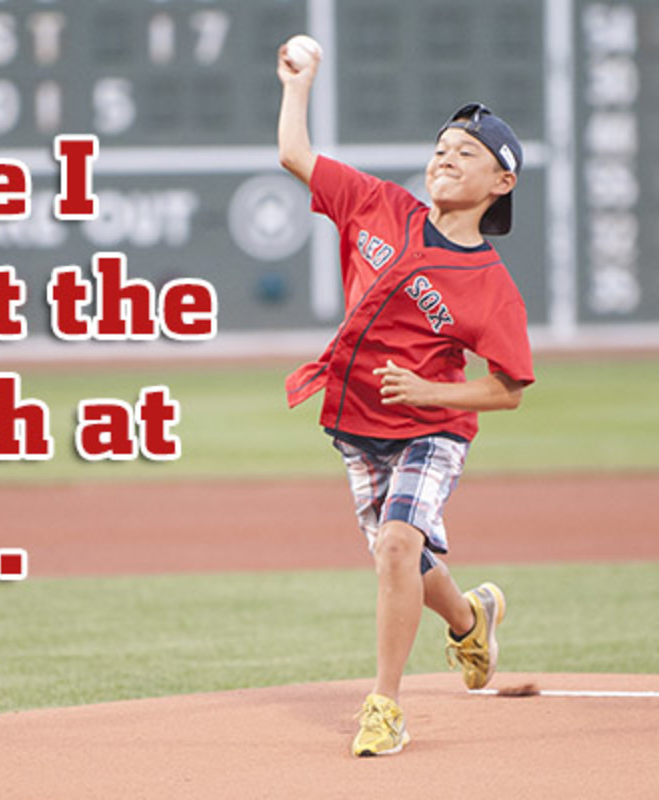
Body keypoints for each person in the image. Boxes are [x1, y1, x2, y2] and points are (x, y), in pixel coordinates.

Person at [275, 39, 535, 756]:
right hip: (357, 423)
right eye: (443, 147)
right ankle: (470, 618)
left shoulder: (491, 285)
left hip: (433, 429)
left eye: (468, 152)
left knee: (396, 543)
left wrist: (430, 391)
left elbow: (509, 389)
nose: (447, 157)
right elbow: (296, 156)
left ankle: (385, 706)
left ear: (501, 183)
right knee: (405, 563)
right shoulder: (379, 205)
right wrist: (298, 86)